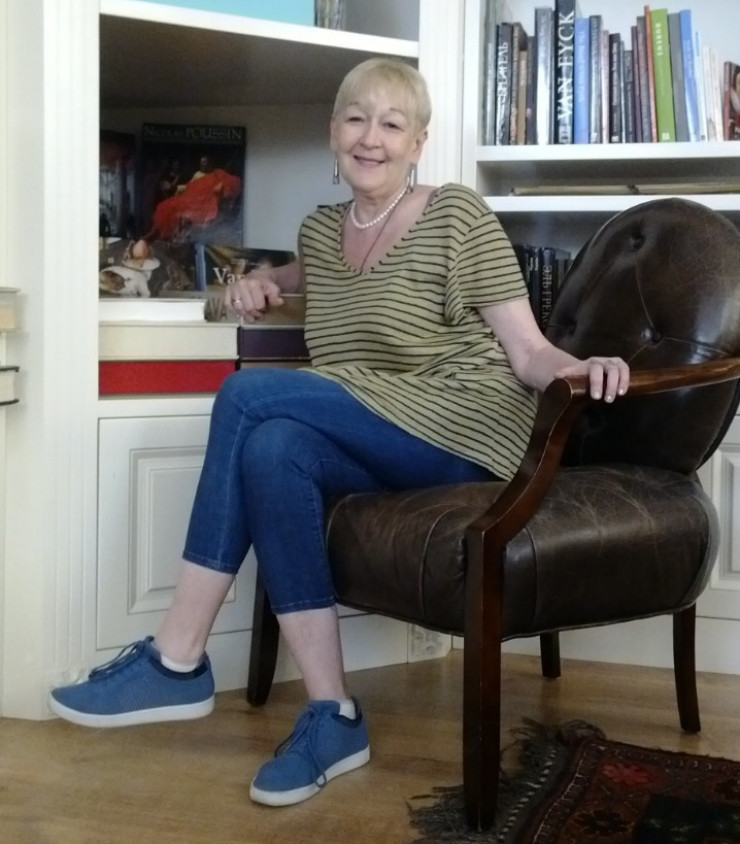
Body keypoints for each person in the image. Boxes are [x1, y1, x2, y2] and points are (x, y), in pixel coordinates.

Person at [50, 58, 630, 807]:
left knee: (247, 396)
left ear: (418, 141)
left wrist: (582, 368)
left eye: (392, 123)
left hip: (464, 422)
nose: (370, 138)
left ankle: (177, 656)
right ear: (333, 132)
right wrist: (261, 282)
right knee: (273, 449)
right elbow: (306, 274)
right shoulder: (323, 232)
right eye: (356, 119)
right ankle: (334, 714)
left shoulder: (457, 216)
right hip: (381, 424)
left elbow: (527, 350)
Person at [146, 154, 242, 241]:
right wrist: (178, 189)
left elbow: (223, 190)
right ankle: (155, 234)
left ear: (210, 163)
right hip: (191, 200)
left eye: (204, 162)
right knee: (165, 207)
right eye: (201, 162)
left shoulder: (217, 175)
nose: (202, 164)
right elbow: (189, 186)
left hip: (204, 204)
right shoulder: (197, 174)